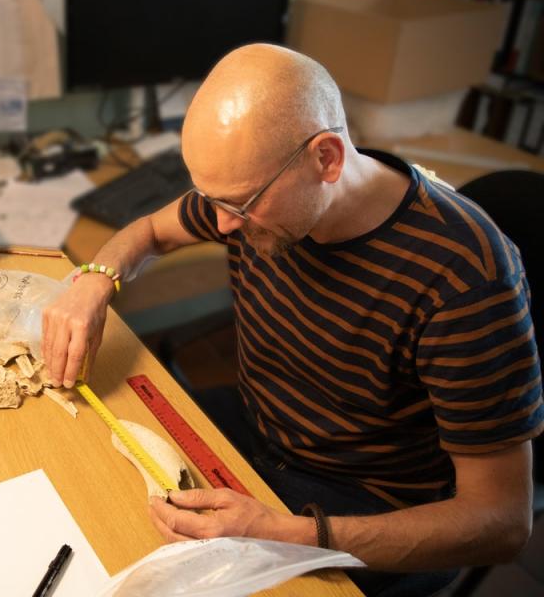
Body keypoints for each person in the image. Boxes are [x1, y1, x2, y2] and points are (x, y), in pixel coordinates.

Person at [41, 43, 542, 596]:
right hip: (262, 434)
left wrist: (286, 534)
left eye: (238, 205)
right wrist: (94, 279)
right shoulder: (247, 195)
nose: (222, 227)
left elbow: (500, 522)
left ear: (326, 159)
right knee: (88, 492)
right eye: (213, 201)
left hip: (371, 505)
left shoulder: (466, 277)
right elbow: (152, 232)